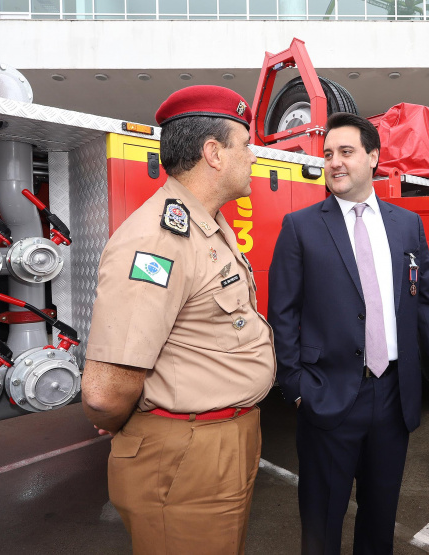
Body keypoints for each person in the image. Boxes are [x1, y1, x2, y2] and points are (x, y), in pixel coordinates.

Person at [81, 85, 274, 555]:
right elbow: (106, 395)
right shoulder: (157, 242)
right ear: (213, 153)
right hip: (186, 454)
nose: (253, 158)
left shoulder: (208, 224)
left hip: (222, 439)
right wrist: (131, 421)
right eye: (244, 146)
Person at [268, 112, 429, 555]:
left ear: (374, 157)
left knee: (379, 521)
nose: (335, 162)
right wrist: (296, 385)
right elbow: (282, 313)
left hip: (393, 397)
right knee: (321, 523)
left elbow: (428, 305)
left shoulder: (406, 225)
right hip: (328, 396)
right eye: (329, 154)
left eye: (347, 152)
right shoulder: (301, 227)